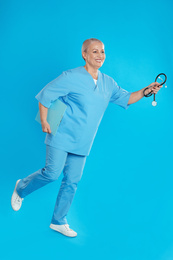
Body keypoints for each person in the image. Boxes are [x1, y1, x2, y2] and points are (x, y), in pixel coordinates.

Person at [11, 38, 162, 238]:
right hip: (62, 135)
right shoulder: (71, 76)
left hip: (83, 141)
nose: (100, 55)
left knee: (72, 181)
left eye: (102, 51)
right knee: (52, 173)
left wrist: (146, 91)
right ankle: (21, 188)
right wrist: (45, 121)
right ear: (84, 54)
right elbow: (46, 95)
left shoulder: (108, 83)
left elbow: (127, 98)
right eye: (95, 52)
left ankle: (58, 221)